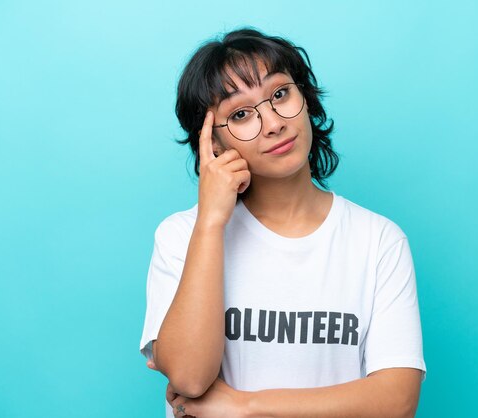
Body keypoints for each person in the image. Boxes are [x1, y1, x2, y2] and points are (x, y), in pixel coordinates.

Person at [139, 27, 427, 418]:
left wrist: (245, 407)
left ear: (304, 97)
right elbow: (189, 379)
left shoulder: (378, 240)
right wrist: (210, 222)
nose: (273, 123)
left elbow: (397, 401)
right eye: (240, 114)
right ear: (213, 144)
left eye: (279, 94)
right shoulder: (181, 235)